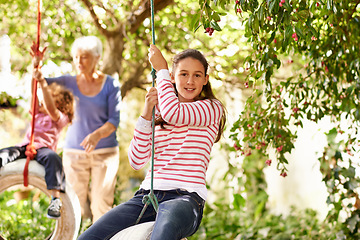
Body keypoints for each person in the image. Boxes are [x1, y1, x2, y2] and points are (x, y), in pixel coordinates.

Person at [78, 44, 226, 240]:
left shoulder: (211, 108)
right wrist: (147, 113)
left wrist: (161, 69)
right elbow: (137, 160)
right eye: (183, 74)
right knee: (88, 237)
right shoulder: (160, 113)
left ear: (206, 80)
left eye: (197, 75)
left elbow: (175, 113)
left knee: (161, 235)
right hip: (147, 197)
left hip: (185, 199)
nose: (190, 81)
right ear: (173, 78)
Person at [33, 36, 121, 222]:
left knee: (101, 205)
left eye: (85, 57)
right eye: (76, 57)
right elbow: (38, 81)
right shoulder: (67, 82)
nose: (79, 61)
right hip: (74, 154)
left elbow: (114, 120)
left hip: (104, 153)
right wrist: (37, 64)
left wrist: (96, 135)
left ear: (97, 58)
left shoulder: (111, 85)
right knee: (73, 205)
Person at [0, 48, 75, 219]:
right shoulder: (37, 113)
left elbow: (50, 106)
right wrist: (36, 68)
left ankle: (55, 199)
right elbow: (34, 94)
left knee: (54, 159)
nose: (42, 102)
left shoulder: (59, 117)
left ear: (61, 105)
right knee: (4, 153)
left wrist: (42, 81)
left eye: (52, 98)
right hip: (25, 146)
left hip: (44, 150)